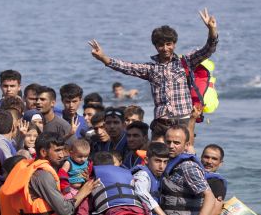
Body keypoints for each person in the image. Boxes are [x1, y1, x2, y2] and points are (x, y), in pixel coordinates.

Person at [89, 8, 218, 138]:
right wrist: (103, 58)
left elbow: (208, 49)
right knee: (155, 155)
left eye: (169, 44)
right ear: (155, 46)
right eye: (161, 45)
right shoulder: (151, 69)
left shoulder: (186, 61)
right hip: (161, 122)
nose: (165, 48)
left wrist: (212, 30)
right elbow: (126, 67)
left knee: (184, 153)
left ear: (174, 44)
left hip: (183, 119)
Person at [0, 132, 97, 215]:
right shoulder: (42, 175)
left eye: (63, 150)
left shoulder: (29, 166)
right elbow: (65, 210)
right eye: (57, 150)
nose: (62, 155)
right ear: (44, 152)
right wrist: (83, 192)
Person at [75, 151, 149, 215]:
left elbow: (83, 211)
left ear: (93, 166)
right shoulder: (128, 175)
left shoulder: (93, 182)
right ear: (113, 164)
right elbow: (144, 203)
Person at [160, 125, 216, 215]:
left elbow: (209, 195)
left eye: (176, 143)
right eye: (168, 142)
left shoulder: (188, 167)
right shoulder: (165, 163)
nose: (171, 146)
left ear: (186, 145)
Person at [132, 142, 187, 215]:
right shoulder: (142, 175)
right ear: (146, 160)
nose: (161, 166)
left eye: (165, 162)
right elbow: (141, 192)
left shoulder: (160, 176)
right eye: (157, 161)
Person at [200, 143, 228, 215]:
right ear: (201, 158)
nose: (209, 161)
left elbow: (216, 211)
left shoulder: (217, 182)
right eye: (206, 157)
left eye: (214, 159)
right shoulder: (194, 175)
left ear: (220, 163)